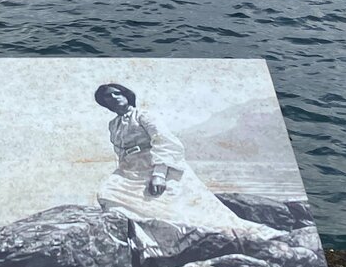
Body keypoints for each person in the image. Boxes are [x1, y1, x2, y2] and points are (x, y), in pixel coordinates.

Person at [93, 82, 276, 234]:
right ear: (105, 104)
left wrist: (159, 174)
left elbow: (165, 141)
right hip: (130, 169)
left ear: (125, 94)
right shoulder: (113, 124)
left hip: (154, 164)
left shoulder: (143, 115)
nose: (113, 98)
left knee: (180, 210)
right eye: (107, 97)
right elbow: (120, 150)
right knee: (107, 193)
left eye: (116, 93)